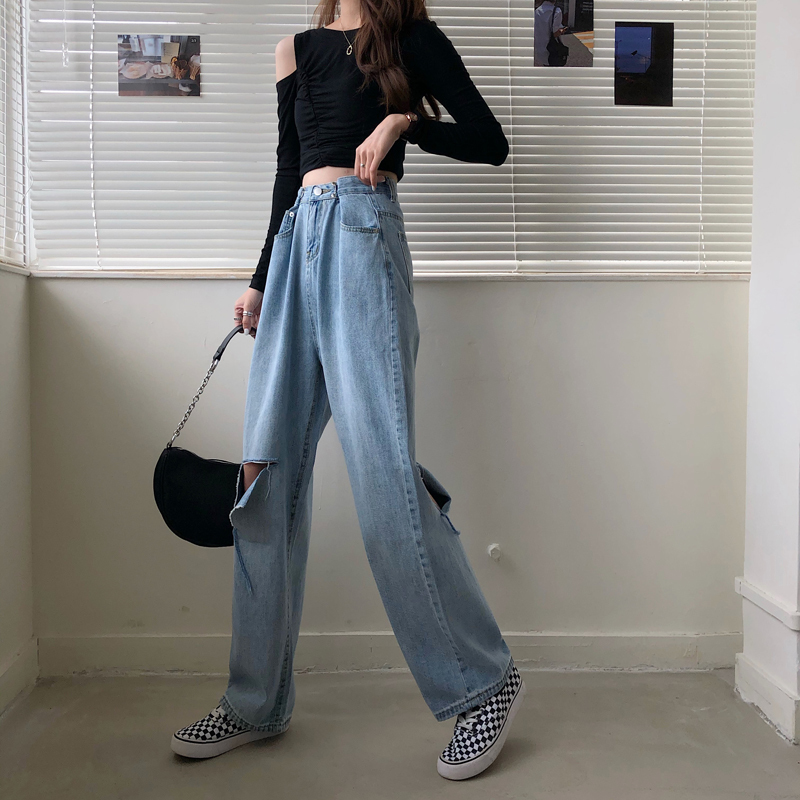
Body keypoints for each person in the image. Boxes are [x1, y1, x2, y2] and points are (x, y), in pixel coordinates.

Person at [170, 0, 526, 781]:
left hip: (364, 239)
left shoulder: (409, 37)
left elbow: (490, 141)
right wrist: (261, 279)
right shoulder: (294, 49)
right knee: (262, 479)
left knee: (383, 478)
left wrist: (405, 123)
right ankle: (255, 700)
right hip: (297, 243)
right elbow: (287, 167)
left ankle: (483, 683)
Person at [534, 0, 569, 66]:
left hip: (540, 47)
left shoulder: (537, 11)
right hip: (552, 48)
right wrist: (562, 30)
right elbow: (555, 33)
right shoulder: (557, 11)